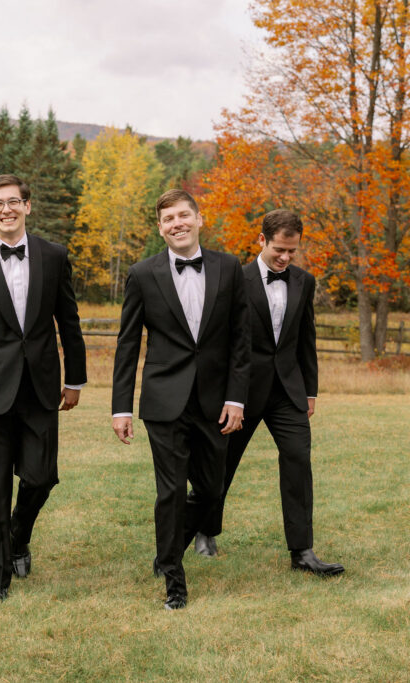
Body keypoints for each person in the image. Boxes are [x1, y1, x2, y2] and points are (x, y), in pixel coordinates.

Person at [0, 174, 87, 601]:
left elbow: (70, 321)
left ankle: (18, 535)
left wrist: (75, 378)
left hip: (41, 387)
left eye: (13, 201)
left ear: (28, 205)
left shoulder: (55, 255)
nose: (6, 209)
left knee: (42, 478)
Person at [111, 188, 250, 610]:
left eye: (183, 215)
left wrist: (237, 398)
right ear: (160, 228)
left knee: (211, 490)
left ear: (199, 218)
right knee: (169, 491)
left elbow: (241, 341)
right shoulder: (142, 273)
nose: (177, 223)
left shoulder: (229, 268)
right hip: (164, 401)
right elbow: (128, 344)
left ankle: (167, 547)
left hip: (214, 402)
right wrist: (121, 406)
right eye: (168, 218)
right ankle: (173, 579)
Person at [191, 209, 344, 576]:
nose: (285, 257)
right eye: (279, 249)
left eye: (292, 251)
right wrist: (225, 393)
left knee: (298, 462)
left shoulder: (304, 282)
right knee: (220, 465)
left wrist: (310, 391)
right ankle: (203, 529)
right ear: (261, 240)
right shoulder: (234, 278)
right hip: (240, 392)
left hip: (288, 391)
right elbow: (219, 340)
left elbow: (306, 339)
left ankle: (302, 552)